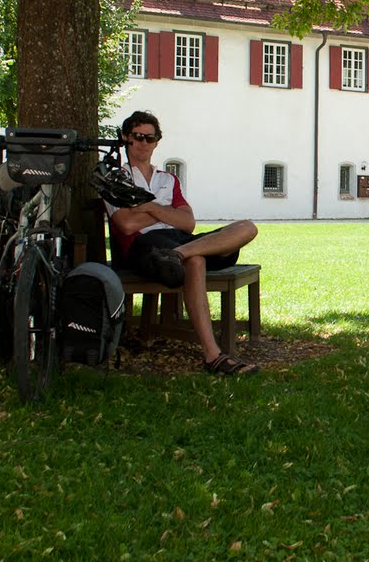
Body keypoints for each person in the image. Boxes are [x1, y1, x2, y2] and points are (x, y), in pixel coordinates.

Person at [103, 110, 260, 375]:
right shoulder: (116, 179)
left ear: (157, 142)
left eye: (150, 138)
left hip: (179, 242)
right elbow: (126, 225)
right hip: (143, 247)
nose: (143, 143)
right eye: (137, 137)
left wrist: (147, 206)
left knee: (247, 228)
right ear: (126, 138)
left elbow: (188, 223)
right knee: (195, 260)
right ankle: (213, 356)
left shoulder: (168, 179)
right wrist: (165, 210)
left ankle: (177, 254)